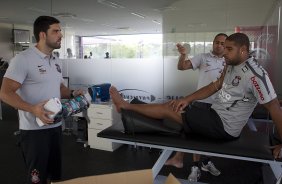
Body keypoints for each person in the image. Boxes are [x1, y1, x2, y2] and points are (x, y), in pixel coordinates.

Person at [109, 32, 282, 182]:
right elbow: (214, 86)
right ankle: (181, 156)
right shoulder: (231, 64)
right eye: (223, 47)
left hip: (224, 127)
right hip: (214, 113)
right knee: (177, 106)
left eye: (229, 49)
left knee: (170, 109)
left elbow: (274, 107)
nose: (224, 53)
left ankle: (125, 106)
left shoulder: (255, 75)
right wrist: (188, 99)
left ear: (243, 50)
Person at [0, 16, 84, 184]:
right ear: (42, 35)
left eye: (60, 31)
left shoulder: (56, 60)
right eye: (56, 31)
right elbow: (5, 93)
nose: (61, 35)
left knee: (56, 176)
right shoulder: (23, 59)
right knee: (37, 179)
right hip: (33, 131)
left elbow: (59, 88)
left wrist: (73, 93)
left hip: (55, 126)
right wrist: (33, 109)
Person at [166, 33, 227, 181]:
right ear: (213, 43)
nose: (219, 45)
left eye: (222, 43)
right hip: (201, 102)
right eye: (216, 42)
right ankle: (195, 166)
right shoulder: (203, 57)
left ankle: (206, 162)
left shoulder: (229, 61)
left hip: (220, 104)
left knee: (211, 137)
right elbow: (182, 66)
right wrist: (183, 55)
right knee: (196, 135)